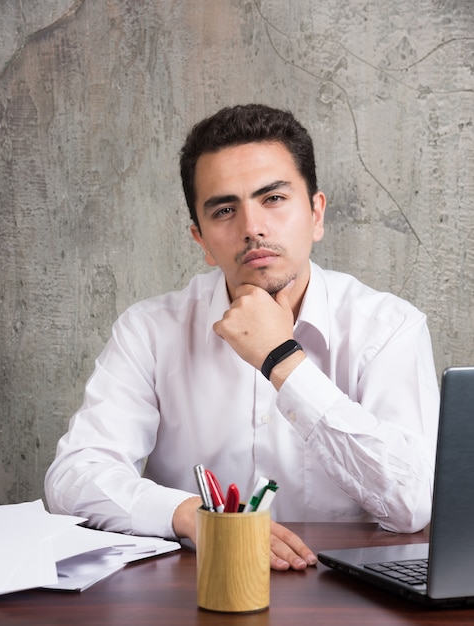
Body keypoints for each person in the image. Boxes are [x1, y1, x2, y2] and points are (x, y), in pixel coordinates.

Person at [45, 104, 440, 571]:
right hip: (195, 590)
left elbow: (412, 501)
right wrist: (192, 516)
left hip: (344, 594)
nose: (251, 227)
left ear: (316, 214)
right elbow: (73, 478)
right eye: (225, 209)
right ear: (201, 240)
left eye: (273, 199)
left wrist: (283, 361)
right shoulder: (149, 331)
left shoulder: (389, 327)